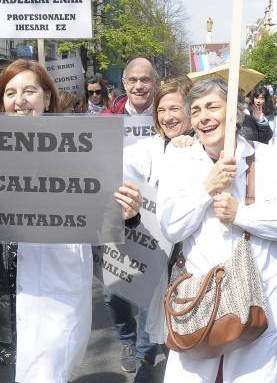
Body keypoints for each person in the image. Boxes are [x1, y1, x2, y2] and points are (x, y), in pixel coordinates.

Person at [0, 59, 143, 383]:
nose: (19, 99)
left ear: (47, 98)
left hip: (53, 296)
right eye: (10, 92)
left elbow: (107, 217)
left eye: (29, 91)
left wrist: (129, 212)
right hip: (1, 296)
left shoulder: (82, 149)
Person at [157, 77, 277, 382]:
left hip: (257, 302)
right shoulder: (179, 160)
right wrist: (205, 190)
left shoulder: (269, 159)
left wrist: (243, 214)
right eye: (196, 110)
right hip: (199, 303)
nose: (204, 116)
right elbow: (171, 228)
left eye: (213, 106)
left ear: (236, 114)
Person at [124, 75, 193, 383]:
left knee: (189, 319)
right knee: (151, 308)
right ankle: (146, 358)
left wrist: (189, 150)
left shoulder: (206, 145)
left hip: (191, 256)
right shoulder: (149, 148)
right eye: (162, 110)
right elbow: (117, 169)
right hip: (154, 251)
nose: (168, 117)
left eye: (175, 108)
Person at [101, 57, 162, 374]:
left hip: (155, 211)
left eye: (145, 80)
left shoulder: (167, 116)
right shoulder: (105, 119)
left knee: (151, 286)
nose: (139, 86)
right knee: (112, 291)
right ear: (124, 83)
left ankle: (145, 349)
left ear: (155, 83)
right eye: (133, 80)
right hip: (115, 212)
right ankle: (127, 337)